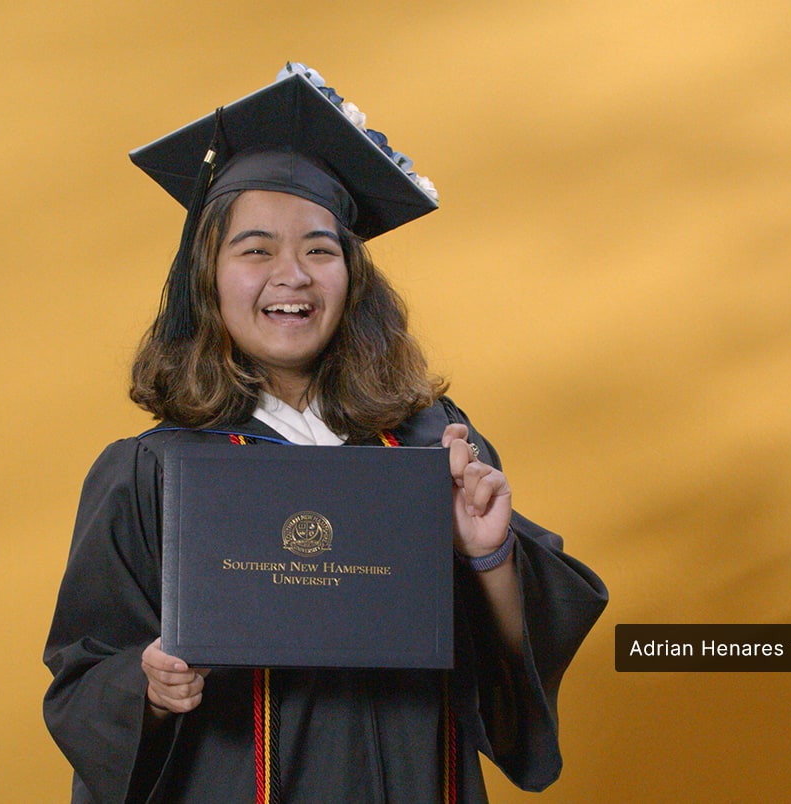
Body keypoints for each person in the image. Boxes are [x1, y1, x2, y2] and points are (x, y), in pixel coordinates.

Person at [43, 64, 607, 803]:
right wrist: (146, 685)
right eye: (254, 250)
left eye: (319, 248)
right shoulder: (153, 472)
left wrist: (489, 556)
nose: (293, 275)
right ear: (206, 278)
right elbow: (85, 680)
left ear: (352, 274)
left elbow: (510, 678)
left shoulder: (435, 447)